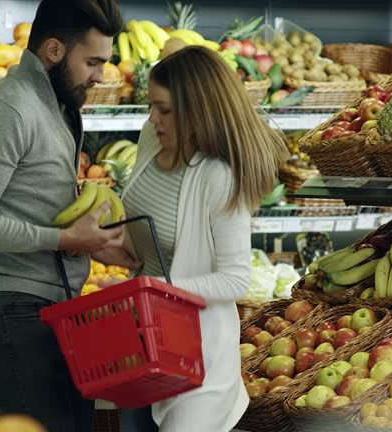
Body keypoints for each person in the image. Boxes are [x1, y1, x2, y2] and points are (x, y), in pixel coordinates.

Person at [0, 1, 138, 430]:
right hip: (11, 312)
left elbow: (33, 203)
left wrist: (101, 241)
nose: (100, 76)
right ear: (53, 50)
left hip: (50, 308)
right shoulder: (8, 110)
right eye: (92, 62)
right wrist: (65, 239)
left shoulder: (56, 106)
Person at [118, 45, 289, 431]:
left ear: (197, 111)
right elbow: (148, 238)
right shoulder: (152, 139)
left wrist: (158, 287)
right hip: (143, 343)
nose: (152, 118)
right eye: (152, 106)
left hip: (197, 358)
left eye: (164, 109)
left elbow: (234, 279)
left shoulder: (217, 177)